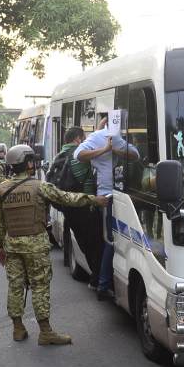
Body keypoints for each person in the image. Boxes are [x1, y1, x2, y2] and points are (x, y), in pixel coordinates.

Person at [0, 144, 108, 345]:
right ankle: (45, 332)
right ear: (27, 163)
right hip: (36, 245)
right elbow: (66, 198)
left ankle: (18, 329)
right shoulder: (39, 186)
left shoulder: (2, 189)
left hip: (12, 246)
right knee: (40, 286)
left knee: (15, 286)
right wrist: (93, 200)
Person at [75, 116, 139, 301]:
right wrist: (104, 149)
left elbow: (135, 155)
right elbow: (78, 155)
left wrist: (118, 151)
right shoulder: (98, 136)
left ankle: (106, 281)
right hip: (107, 197)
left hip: (123, 194)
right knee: (110, 240)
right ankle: (103, 284)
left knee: (119, 240)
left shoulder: (119, 137)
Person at [57, 126, 103, 288]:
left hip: (69, 207)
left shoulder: (61, 155)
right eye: (84, 139)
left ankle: (95, 277)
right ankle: (97, 279)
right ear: (78, 139)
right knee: (95, 244)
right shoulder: (79, 156)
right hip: (85, 206)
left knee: (85, 242)